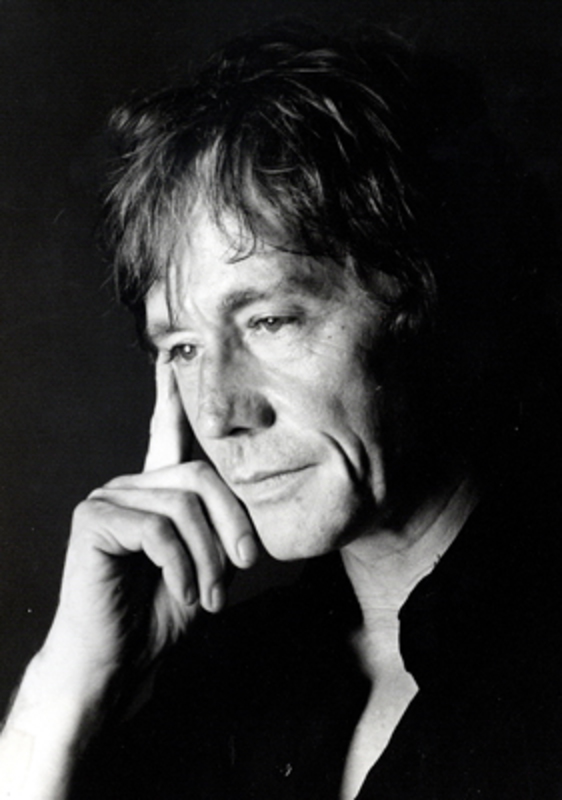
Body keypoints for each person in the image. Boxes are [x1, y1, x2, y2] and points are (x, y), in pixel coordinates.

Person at [1, 22, 562, 800]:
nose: (219, 413)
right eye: (183, 348)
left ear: (426, 295)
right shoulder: (230, 681)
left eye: (269, 321)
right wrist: (66, 687)